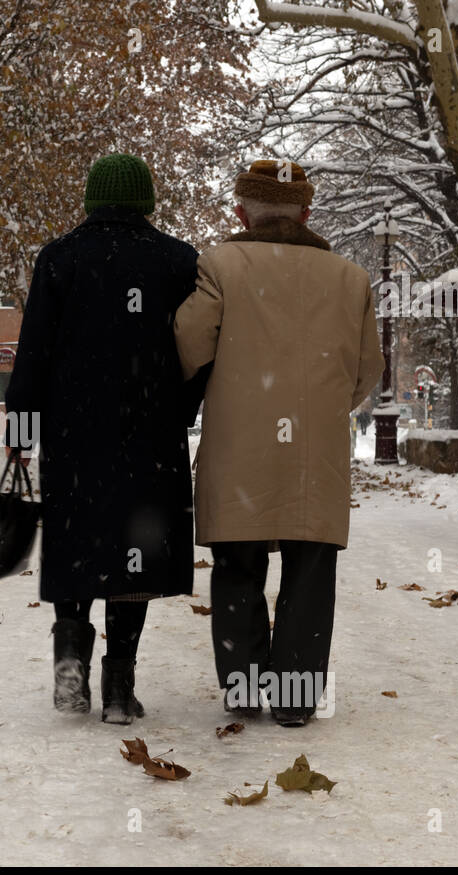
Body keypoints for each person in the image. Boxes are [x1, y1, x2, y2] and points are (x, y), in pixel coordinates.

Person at [174, 160, 384, 727]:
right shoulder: (350, 277)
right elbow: (367, 371)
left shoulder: (218, 265)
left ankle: (243, 688)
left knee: (237, 566)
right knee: (310, 570)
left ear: (241, 211)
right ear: (307, 213)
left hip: (239, 449)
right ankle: (294, 699)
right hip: (315, 452)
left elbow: (190, 346)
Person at [5, 153, 206, 725]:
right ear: (147, 201)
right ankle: (119, 685)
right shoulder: (177, 262)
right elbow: (198, 353)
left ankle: (70, 660)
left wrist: (22, 432)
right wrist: (180, 411)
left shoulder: (59, 259)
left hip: (74, 435)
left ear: (92, 200)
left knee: (77, 544)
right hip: (150, 435)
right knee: (133, 553)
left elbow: (34, 354)